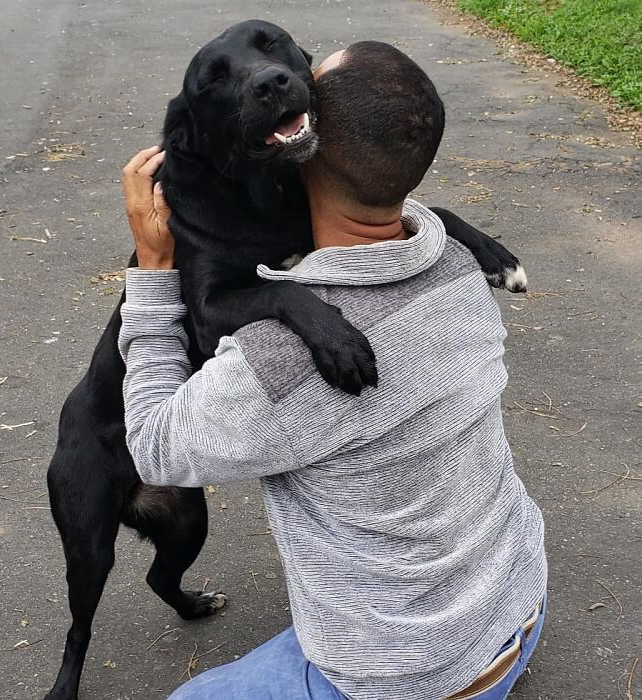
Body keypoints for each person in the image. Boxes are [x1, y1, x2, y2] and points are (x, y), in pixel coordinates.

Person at [119, 41, 547, 700]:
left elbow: (152, 446)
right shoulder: (462, 264)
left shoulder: (277, 364)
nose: (279, 81)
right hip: (517, 605)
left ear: (304, 152)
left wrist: (152, 267)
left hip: (409, 676)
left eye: (303, 83)